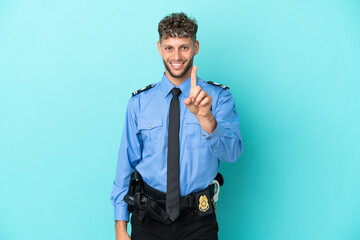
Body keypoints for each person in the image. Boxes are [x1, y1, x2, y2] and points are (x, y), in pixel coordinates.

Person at [111, 12, 243, 240]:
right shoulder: (139, 103)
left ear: (196, 47)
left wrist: (207, 119)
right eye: (170, 47)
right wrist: (120, 227)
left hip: (198, 219)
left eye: (184, 47)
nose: (177, 56)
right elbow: (125, 165)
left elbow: (232, 154)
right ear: (160, 47)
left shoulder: (218, 98)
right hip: (148, 218)